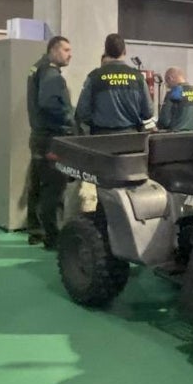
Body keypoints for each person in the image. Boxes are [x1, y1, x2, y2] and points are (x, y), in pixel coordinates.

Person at [26, 35, 75, 248]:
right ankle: (53, 237)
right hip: (52, 138)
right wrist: (71, 119)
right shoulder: (51, 74)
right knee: (53, 188)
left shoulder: (37, 68)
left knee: (37, 186)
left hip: (38, 136)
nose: (69, 54)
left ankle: (35, 231)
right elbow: (49, 104)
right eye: (66, 50)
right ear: (54, 50)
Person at [76, 34, 152, 135]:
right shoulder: (138, 77)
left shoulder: (94, 76)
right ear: (125, 51)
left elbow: (82, 112)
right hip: (132, 137)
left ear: (106, 52)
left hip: (101, 137)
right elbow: (148, 112)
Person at [158, 68, 193, 132]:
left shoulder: (173, 93)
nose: (167, 86)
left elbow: (164, 121)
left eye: (167, 82)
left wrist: (158, 126)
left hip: (176, 138)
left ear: (170, 78)